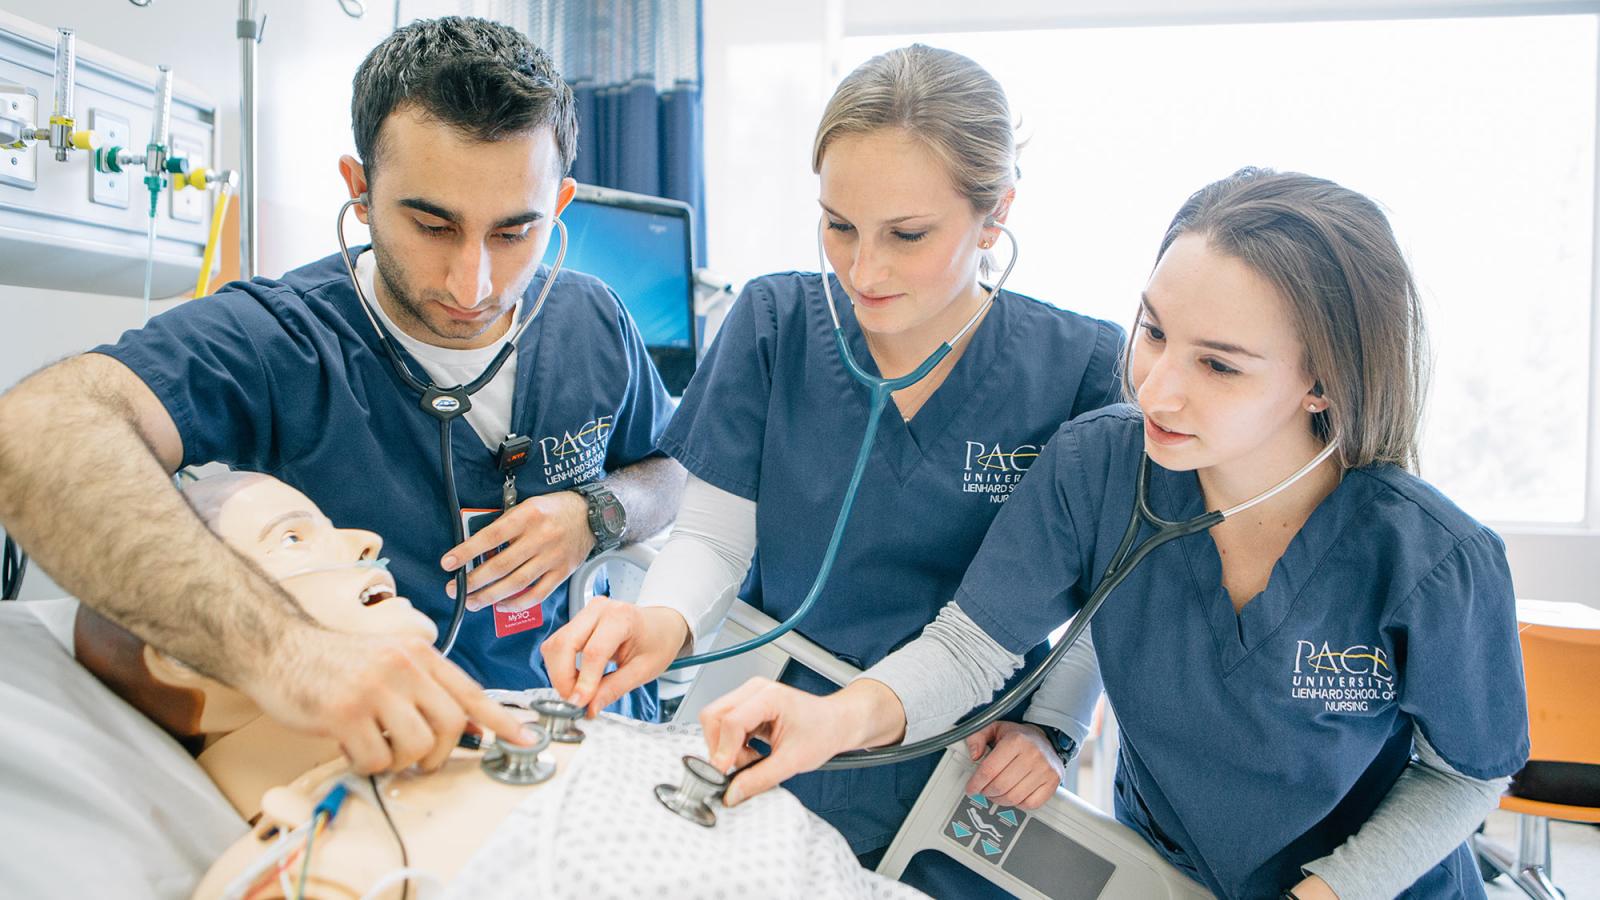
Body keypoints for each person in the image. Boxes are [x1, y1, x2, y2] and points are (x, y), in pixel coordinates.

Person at [696, 168, 1532, 900]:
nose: (1155, 390)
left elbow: (1466, 775)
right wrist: (833, 720)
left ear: (1322, 382)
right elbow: (968, 650)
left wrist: (1332, 890)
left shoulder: (1432, 559)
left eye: (1218, 365)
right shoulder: (1099, 467)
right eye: (1155, 331)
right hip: (1164, 868)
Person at [0, 17, 684, 776]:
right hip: (393, 765)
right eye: (431, 224)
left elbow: (672, 469)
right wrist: (289, 655)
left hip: (585, 732)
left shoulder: (592, 318)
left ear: (558, 204)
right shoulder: (277, 341)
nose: (473, 285)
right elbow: (37, 430)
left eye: (513, 233)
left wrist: (596, 513)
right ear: (360, 192)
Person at [542, 45, 1124, 897]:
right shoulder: (776, 322)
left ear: (995, 214)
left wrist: (1056, 732)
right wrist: (661, 623)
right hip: (760, 715)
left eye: (908, 235)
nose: (863, 270)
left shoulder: (1079, 367)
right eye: (839, 225)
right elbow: (711, 536)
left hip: (966, 758)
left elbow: (1099, 598)